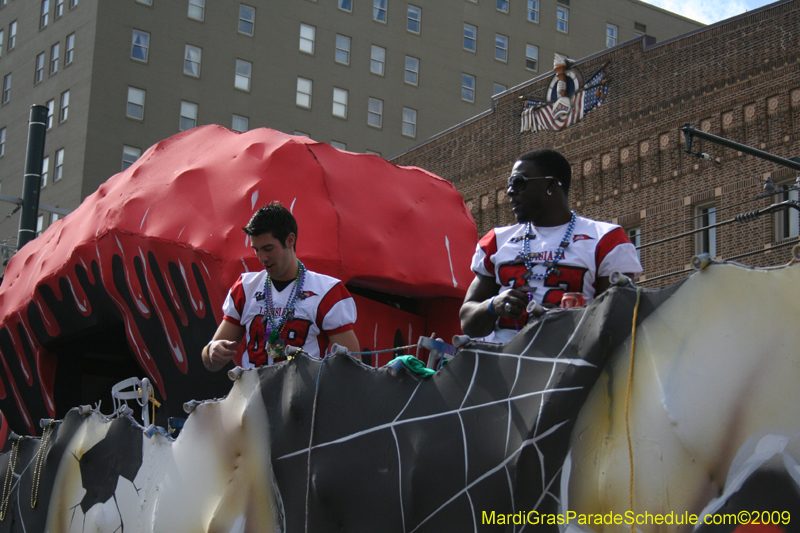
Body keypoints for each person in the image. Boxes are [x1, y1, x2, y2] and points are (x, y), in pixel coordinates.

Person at [460, 148, 642, 343]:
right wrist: (493, 305)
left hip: (571, 361)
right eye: (509, 184)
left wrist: (575, 317)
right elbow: (467, 321)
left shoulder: (605, 238)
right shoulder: (497, 240)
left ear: (551, 185)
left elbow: (624, 318)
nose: (510, 191)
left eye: (519, 182)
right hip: (504, 364)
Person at [203, 201, 360, 371]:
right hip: (253, 394)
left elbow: (352, 366)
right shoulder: (246, 288)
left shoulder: (327, 292)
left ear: (290, 240)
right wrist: (212, 351)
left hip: (302, 395)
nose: (262, 257)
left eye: (268, 248)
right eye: (257, 249)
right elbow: (210, 362)